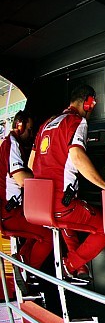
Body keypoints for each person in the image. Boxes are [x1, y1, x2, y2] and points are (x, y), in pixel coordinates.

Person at [29, 85, 105, 282]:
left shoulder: (47, 123)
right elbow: (78, 157)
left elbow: (31, 163)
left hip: (39, 205)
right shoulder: (77, 121)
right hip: (60, 206)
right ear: (88, 103)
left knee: (68, 220)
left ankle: (80, 269)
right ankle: (71, 264)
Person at [0, 110, 54, 285]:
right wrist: (45, 180)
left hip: (10, 212)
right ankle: (28, 275)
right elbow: (21, 179)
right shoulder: (12, 144)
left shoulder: (11, 145)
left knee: (37, 228)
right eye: (30, 130)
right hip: (10, 213)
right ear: (19, 125)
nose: (31, 135)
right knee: (48, 235)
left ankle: (21, 261)